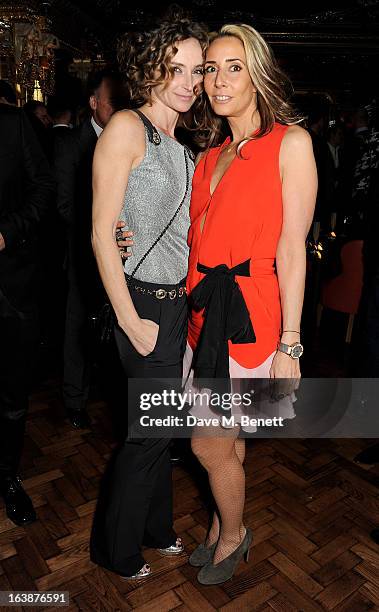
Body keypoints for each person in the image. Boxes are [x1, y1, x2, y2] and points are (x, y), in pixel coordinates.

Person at [182, 24, 317, 585]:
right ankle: (221, 524)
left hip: (253, 317)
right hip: (202, 316)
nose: (217, 80)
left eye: (233, 66)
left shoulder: (292, 142)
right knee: (227, 440)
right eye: (210, 68)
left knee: (206, 442)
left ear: (258, 71)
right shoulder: (210, 153)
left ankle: (235, 536)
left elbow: (293, 247)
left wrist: (292, 342)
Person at [90, 16, 207, 579]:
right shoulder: (126, 129)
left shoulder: (185, 148)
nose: (186, 81)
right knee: (147, 434)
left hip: (178, 306)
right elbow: (99, 233)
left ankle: (157, 528)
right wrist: (131, 320)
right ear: (151, 68)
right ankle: (115, 550)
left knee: (165, 430)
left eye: (194, 70)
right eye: (174, 68)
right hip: (141, 305)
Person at [53, 69, 126, 428]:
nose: (118, 109)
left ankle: (111, 394)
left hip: (126, 257)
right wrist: (103, 235)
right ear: (94, 103)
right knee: (77, 326)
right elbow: (64, 206)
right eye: (112, 101)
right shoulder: (70, 145)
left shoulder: (130, 140)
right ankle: (74, 399)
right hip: (84, 255)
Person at [0, 97, 55, 525]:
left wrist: (7, 232)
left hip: (11, 288)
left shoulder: (13, 124)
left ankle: (7, 477)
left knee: (12, 394)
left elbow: (44, 188)